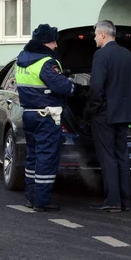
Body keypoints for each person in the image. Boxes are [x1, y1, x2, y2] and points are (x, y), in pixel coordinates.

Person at [15, 24, 76, 212]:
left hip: (29, 114)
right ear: (46, 42)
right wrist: (76, 88)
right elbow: (61, 86)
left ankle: (30, 197)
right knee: (46, 158)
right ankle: (42, 201)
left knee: (32, 157)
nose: (56, 45)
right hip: (47, 116)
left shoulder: (22, 60)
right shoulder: (46, 62)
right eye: (54, 41)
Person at [84, 20, 131, 212]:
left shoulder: (101, 55)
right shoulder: (128, 54)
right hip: (124, 113)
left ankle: (112, 201)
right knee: (122, 156)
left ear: (102, 35)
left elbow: (96, 87)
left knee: (107, 157)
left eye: (95, 35)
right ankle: (125, 200)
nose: (94, 39)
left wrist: (91, 110)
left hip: (105, 114)